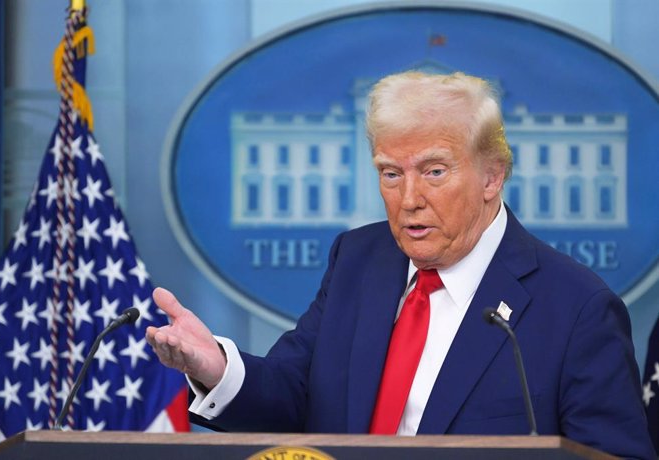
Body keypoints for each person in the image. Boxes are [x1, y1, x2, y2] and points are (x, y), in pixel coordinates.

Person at [146, 71, 654, 459]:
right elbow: (296, 394)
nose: (408, 198)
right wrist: (216, 366)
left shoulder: (577, 309)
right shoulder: (358, 260)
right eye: (390, 173)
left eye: (434, 171)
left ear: (491, 177)